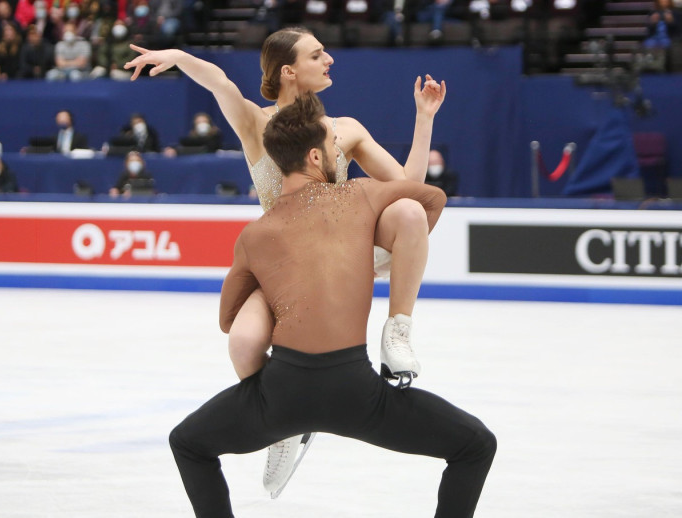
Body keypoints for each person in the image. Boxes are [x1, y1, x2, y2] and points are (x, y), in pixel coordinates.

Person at [125, 25, 446, 494]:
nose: (330, 59)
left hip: (345, 254)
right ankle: (283, 422)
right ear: (290, 71)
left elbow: (406, 184)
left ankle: (397, 331)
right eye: (318, 54)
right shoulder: (257, 124)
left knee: (409, 211)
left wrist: (424, 118)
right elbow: (220, 82)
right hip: (285, 263)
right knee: (242, 342)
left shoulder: (346, 130)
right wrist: (179, 54)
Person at [169, 92, 495, 518]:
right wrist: (376, 258)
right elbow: (431, 199)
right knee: (475, 445)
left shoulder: (255, 233)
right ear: (317, 158)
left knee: (188, 443)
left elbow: (228, 317)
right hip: (357, 395)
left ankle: (285, 434)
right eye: (333, 144)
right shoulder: (358, 196)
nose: (337, 148)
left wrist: (274, 291)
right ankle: (398, 330)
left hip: (279, 396)